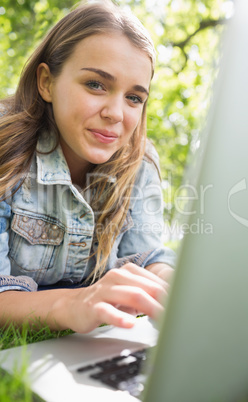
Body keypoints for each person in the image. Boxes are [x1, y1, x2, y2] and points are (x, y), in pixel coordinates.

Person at [0, 0, 175, 334]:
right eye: (96, 84)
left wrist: (171, 285)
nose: (116, 114)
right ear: (46, 83)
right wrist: (74, 303)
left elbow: (146, 257)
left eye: (134, 98)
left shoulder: (138, 161)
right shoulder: (5, 146)